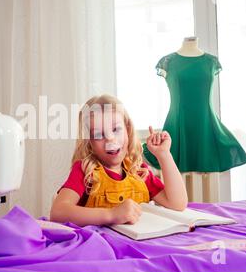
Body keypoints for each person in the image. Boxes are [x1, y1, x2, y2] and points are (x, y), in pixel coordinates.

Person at [50, 94, 187, 227]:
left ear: (127, 130)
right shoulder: (85, 170)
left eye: (116, 129)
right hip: (101, 246)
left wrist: (164, 155)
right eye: (98, 134)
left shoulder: (138, 171)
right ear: (89, 142)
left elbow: (178, 204)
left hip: (136, 245)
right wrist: (111, 214)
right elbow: (58, 213)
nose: (110, 139)